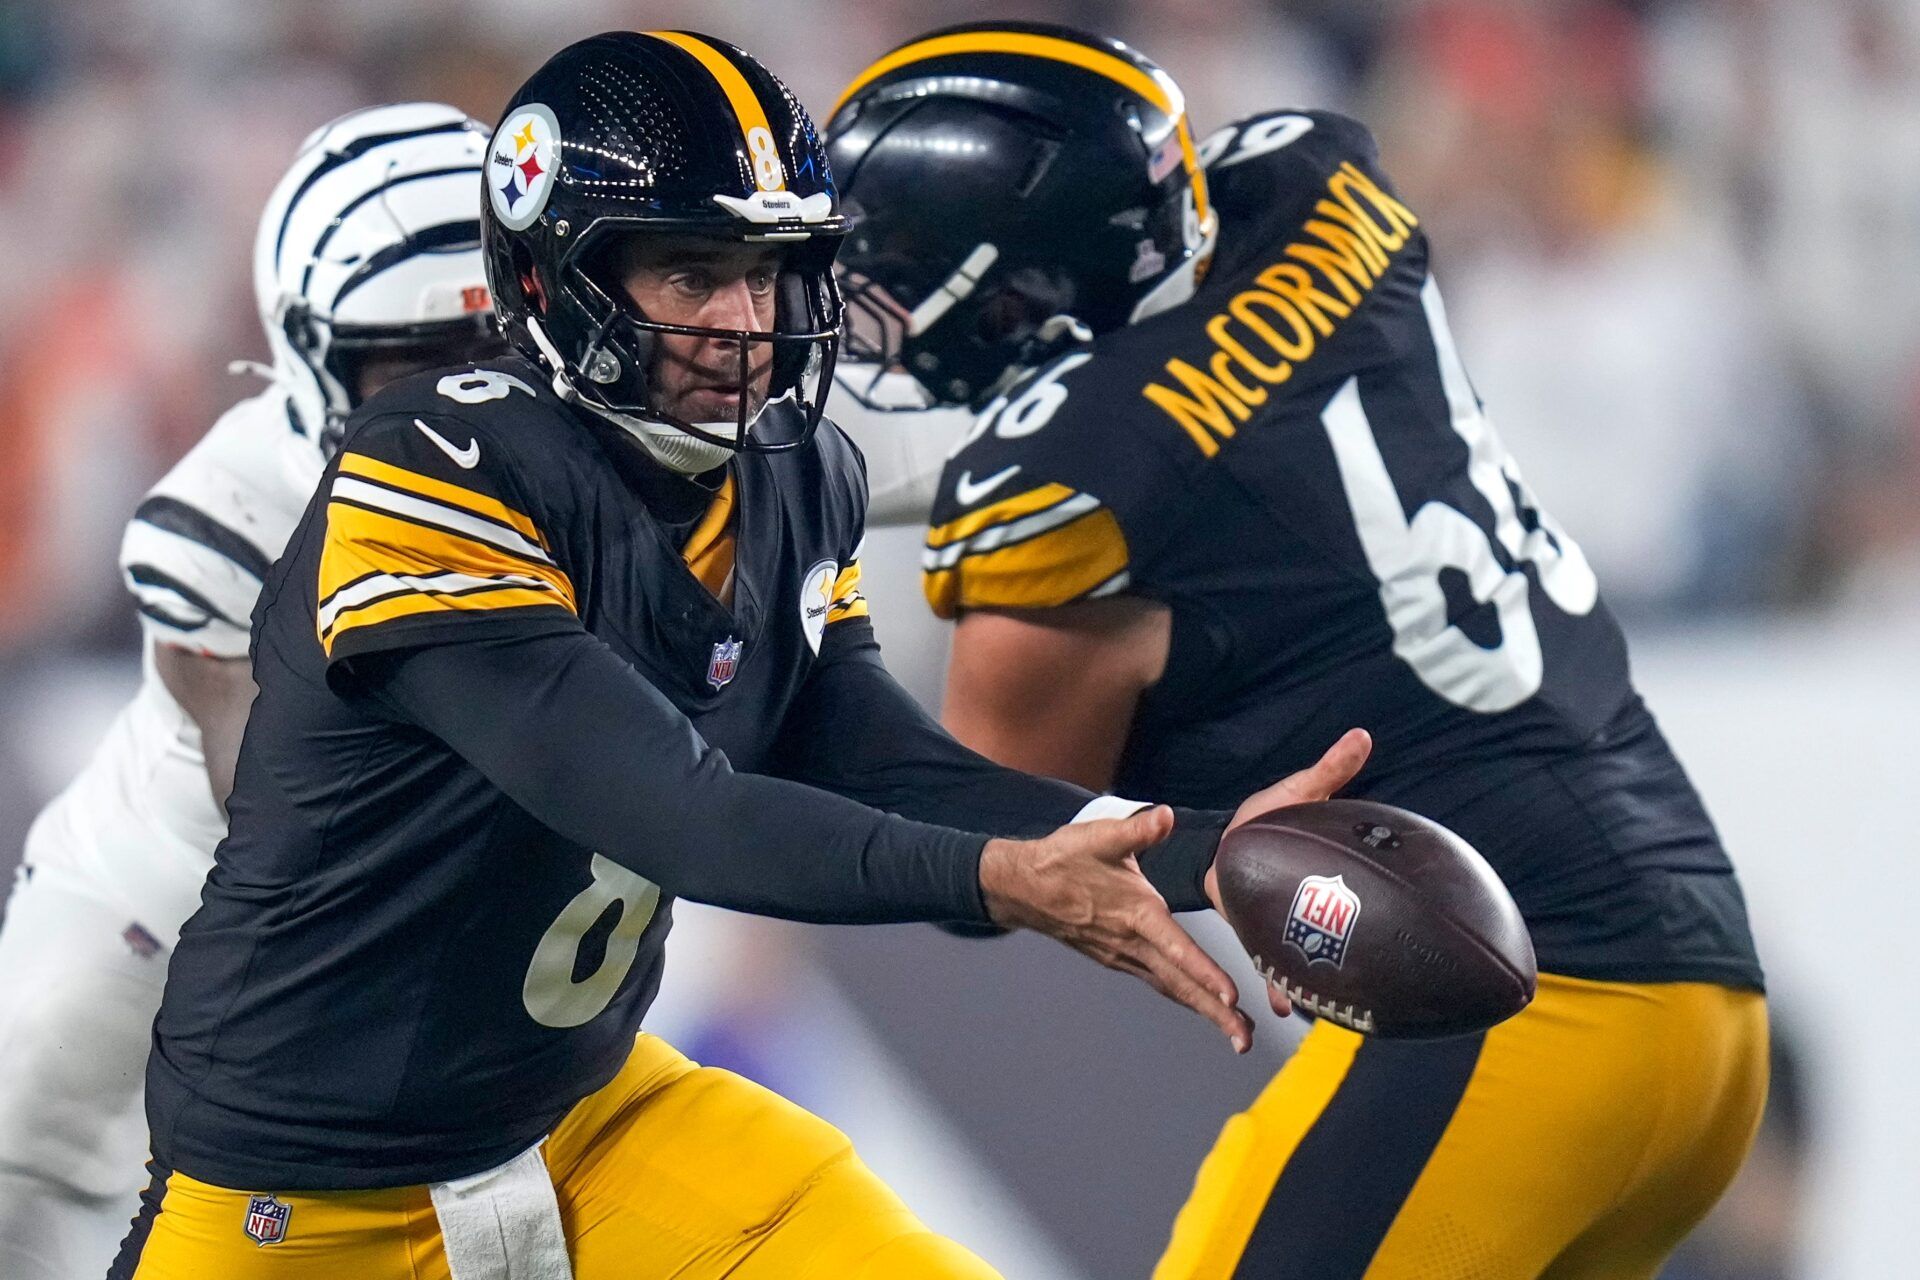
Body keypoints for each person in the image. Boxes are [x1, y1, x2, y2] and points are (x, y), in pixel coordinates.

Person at [109, 32, 1364, 1280]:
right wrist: (1003, 879)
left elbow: (876, 756)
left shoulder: (796, 472)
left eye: (770, 273)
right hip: (301, 1195)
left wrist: (1213, 853)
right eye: (691, 274)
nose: (745, 325)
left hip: (587, 1123)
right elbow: (681, 814)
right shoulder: (434, 471)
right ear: (550, 278)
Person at [826, 22, 1768, 1280]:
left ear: (1010, 293)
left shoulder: (1053, 506)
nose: (870, 328)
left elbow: (989, 857)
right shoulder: (1313, 183)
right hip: (1702, 1007)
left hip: (1508, 1009)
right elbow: (1180, 402)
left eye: (888, 287)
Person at [0, 102, 504, 1280]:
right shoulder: (235, 513)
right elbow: (296, 825)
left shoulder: (579, 491)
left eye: (498, 353)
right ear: (316, 354)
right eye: (419, 361)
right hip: (146, 949)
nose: (464, 404)